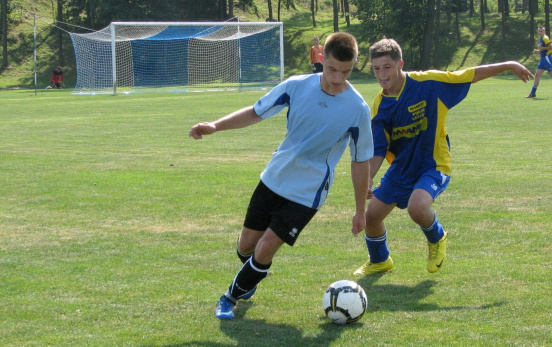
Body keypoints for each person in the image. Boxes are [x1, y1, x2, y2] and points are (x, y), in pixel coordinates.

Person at [189, 32, 374, 319]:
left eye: (346, 72)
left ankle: (230, 297)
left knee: (265, 248)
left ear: (354, 66)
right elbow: (256, 112)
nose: (337, 78)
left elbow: (360, 161)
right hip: (274, 178)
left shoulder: (357, 109)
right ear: (322, 59)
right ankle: (250, 276)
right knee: (246, 246)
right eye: (332, 69)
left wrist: (360, 210)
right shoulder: (297, 86)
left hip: (307, 192)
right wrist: (215, 126)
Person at [353, 38, 534, 276]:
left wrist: (509, 64)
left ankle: (437, 238)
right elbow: (378, 149)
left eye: (386, 67)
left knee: (417, 209)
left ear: (400, 64)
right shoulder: (380, 104)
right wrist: (368, 178)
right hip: (401, 169)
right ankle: (380, 260)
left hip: (433, 164)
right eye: (376, 69)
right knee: (372, 217)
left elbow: (468, 74)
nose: (381, 75)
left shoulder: (428, 83)